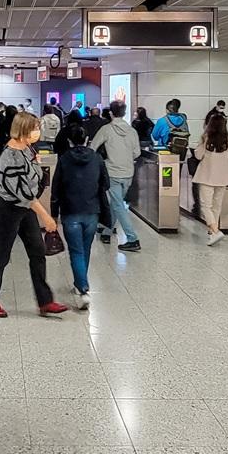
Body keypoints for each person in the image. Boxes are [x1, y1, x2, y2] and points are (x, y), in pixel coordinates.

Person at [0, 112, 67, 318]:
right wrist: (46, 216)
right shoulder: (10, 156)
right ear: (22, 131)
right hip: (8, 209)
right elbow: (24, 193)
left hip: (25, 207)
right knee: (1, 256)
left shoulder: (27, 149)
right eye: (34, 129)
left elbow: (33, 180)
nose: (38, 132)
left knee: (37, 251)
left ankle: (45, 301)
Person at [53, 119, 111, 309]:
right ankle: (80, 283)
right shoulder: (97, 158)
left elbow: (56, 189)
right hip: (92, 211)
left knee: (76, 251)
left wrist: (53, 214)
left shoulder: (63, 160)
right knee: (85, 250)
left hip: (70, 211)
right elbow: (106, 184)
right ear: (87, 139)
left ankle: (83, 287)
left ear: (69, 141)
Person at [92, 100, 143, 252]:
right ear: (125, 113)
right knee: (117, 203)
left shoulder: (106, 129)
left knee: (118, 205)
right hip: (128, 172)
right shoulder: (132, 131)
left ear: (110, 113)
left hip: (112, 171)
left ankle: (132, 238)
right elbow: (137, 152)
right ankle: (107, 232)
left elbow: (93, 147)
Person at [190, 111, 228, 246]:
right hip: (223, 176)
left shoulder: (206, 137)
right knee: (217, 205)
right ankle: (212, 234)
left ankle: (215, 231)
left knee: (205, 205)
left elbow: (198, 155)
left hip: (207, 176)